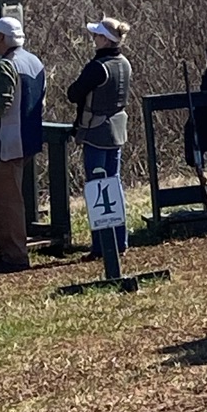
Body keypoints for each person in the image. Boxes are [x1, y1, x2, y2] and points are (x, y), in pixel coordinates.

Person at [0, 17, 46, 273]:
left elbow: (0, 106)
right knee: (10, 198)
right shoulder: (34, 62)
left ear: (3, 39)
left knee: (6, 201)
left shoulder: (6, 66)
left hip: (6, 142)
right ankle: (8, 251)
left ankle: (14, 256)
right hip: (27, 139)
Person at [66, 17, 132, 252]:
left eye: (96, 35)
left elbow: (73, 93)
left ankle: (100, 245)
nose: (93, 39)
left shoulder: (97, 67)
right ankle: (120, 241)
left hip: (96, 130)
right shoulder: (125, 63)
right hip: (118, 130)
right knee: (114, 184)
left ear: (105, 39)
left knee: (97, 187)